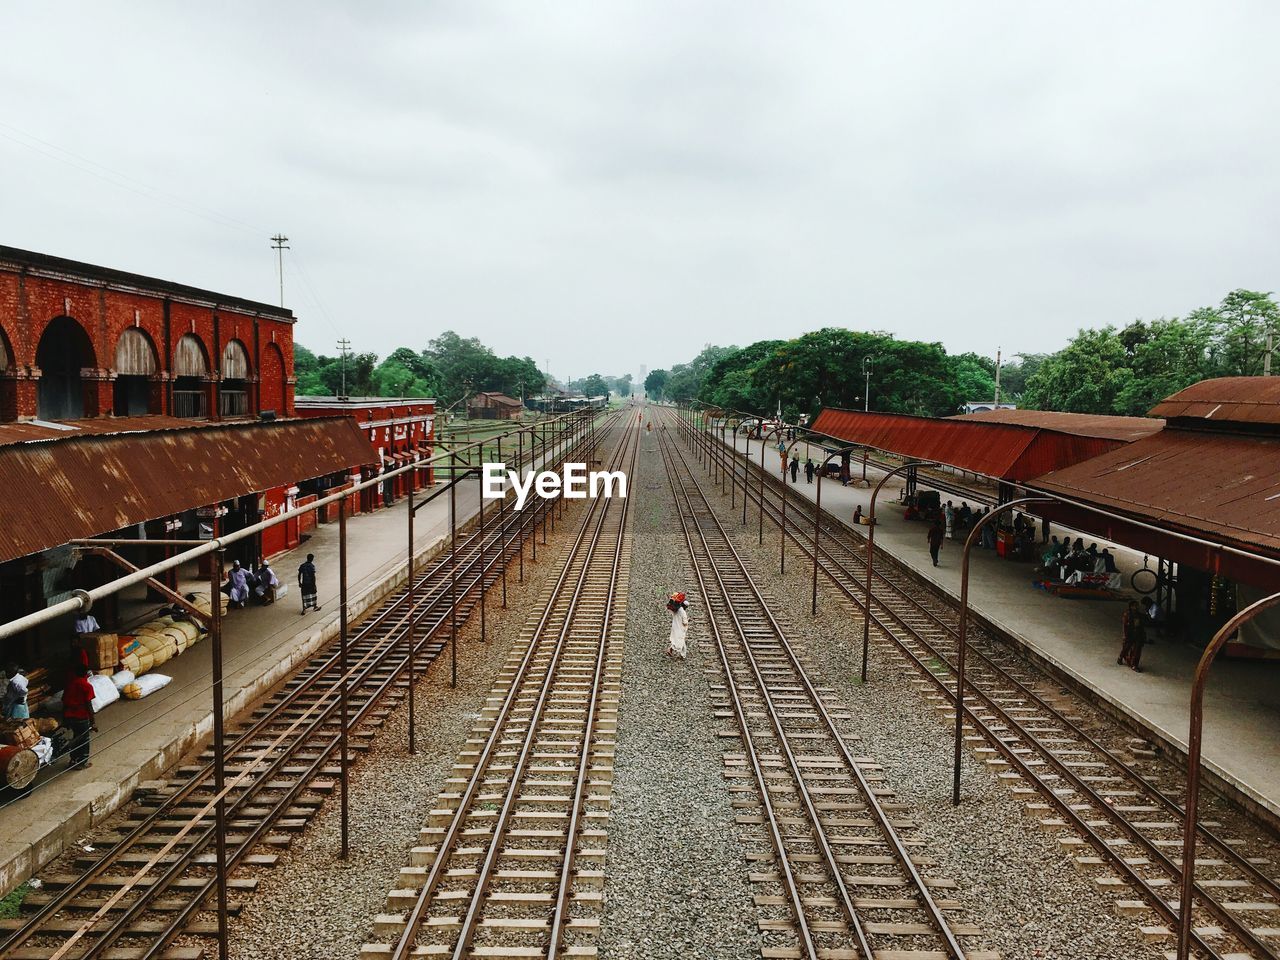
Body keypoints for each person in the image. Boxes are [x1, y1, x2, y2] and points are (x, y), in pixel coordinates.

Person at [63, 664, 97, 769]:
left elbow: (64, 701)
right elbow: (88, 705)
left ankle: (73, 759)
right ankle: (82, 761)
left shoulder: (70, 684)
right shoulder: (87, 686)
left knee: (76, 737)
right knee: (84, 739)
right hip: (81, 716)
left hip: (69, 715)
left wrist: (64, 718)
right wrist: (93, 721)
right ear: (86, 673)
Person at [1120, 600, 1146, 672]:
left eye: (1137, 605)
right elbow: (1125, 626)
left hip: (1138, 634)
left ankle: (1134, 664)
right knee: (1126, 648)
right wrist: (1125, 635)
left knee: (1137, 650)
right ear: (1131, 607)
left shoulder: (1139, 615)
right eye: (1135, 605)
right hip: (1130, 634)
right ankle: (1121, 657)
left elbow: (1141, 625)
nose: (1137, 607)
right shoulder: (1127, 614)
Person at [666, 592, 690, 659]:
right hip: (680, 628)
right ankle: (672, 650)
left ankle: (682, 654)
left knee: (678, 640)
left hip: (675, 626)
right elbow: (685, 622)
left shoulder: (677, 610)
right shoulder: (683, 612)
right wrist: (687, 621)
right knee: (680, 640)